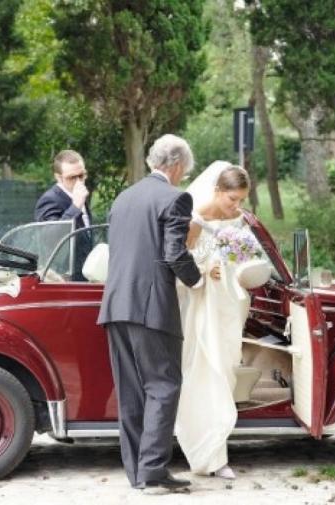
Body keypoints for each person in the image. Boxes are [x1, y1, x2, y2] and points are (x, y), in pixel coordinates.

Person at [97, 134, 202, 491]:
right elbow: (175, 254)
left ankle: (137, 472)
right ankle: (153, 471)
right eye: (184, 170)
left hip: (115, 304)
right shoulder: (175, 198)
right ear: (176, 166)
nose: (184, 176)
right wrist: (197, 281)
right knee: (164, 385)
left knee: (131, 390)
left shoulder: (123, 198)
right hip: (151, 306)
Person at [175, 161, 252, 480]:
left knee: (226, 372)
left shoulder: (237, 220)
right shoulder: (195, 220)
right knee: (207, 373)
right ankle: (210, 455)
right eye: (232, 199)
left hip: (229, 306)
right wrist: (206, 270)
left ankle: (217, 446)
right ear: (217, 191)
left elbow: (243, 259)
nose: (236, 206)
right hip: (201, 306)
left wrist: (243, 263)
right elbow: (180, 265)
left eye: (241, 200)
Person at [34, 150, 93, 280]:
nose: (79, 182)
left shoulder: (79, 194)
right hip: (63, 278)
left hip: (84, 275)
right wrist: (75, 207)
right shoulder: (49, 200)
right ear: (58, 177)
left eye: (82, 175)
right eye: (72, 177)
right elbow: (51, 238)